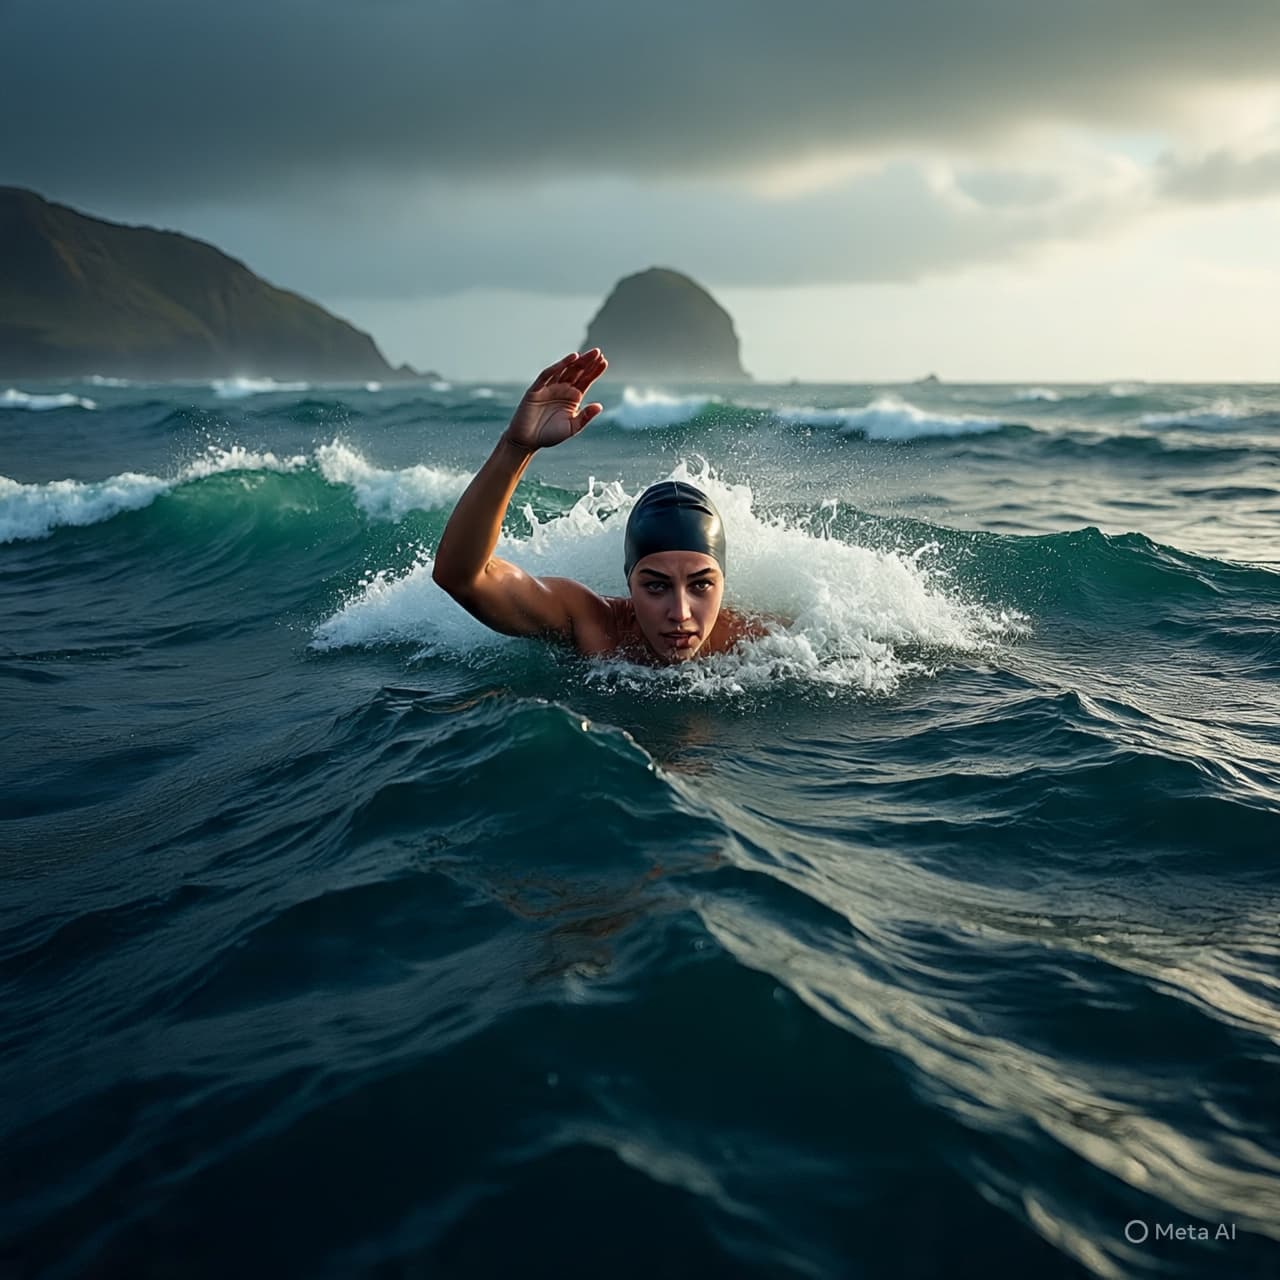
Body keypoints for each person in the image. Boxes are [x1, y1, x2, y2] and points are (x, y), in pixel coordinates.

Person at [432, 348, 771, 665]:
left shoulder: (755, 643)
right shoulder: (593, 627)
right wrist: (517, 447)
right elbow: (462, 576)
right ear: (629, 581)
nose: (680, 613)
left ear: (723, 582)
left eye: (700, 585)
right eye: (655, 586)